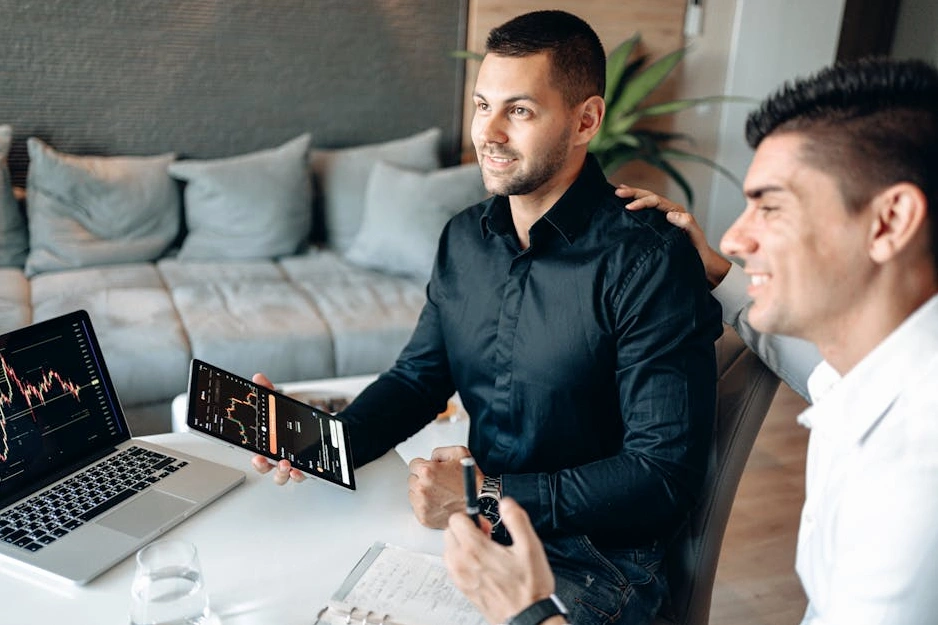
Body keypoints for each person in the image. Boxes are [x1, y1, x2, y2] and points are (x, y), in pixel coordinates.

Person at [254, 10, 722, 625]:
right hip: (475, 528)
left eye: (519, 111)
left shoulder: (650, 259)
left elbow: (662, 477)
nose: (489, 133)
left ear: (586, 121)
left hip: (593, 563)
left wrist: (486, 494)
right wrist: (322, 443)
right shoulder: (463, 239)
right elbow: (417, 379)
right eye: (482, 106)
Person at [444, 56, 938, 625]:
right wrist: (722, 275)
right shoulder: (872, 379)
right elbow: (820, 375)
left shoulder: (911, 478)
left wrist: (529, 611)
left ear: (889, 220)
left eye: (771, 207)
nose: (736, 237)